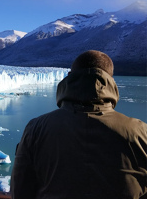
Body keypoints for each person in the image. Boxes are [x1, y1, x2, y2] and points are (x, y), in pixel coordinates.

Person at [10, 50, 147, 199]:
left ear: (69, 78)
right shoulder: (141, 132)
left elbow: (20, 189)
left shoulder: (36, 129)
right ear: (110, 81)